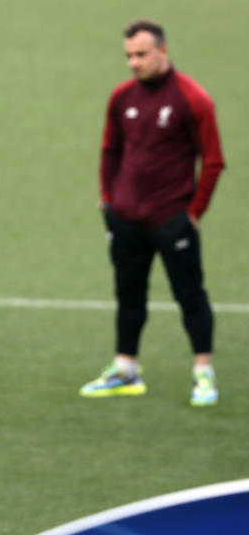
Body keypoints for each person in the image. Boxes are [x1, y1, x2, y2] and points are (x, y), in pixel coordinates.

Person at [79, 20, 225, 406]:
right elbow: (110, 149)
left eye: (141, 54)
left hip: (172, 219)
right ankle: (126, 370)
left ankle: (203, 373)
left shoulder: (193, 99)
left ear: (163, 51)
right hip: (126, 219)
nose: (134, 62)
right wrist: (108, 198)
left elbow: (213, 161)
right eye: (128, 55)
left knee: (190, 295)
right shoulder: (121, 97)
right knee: (129, 295)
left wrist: (194, 212)